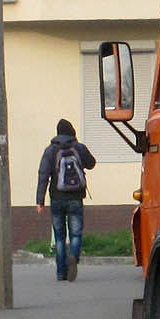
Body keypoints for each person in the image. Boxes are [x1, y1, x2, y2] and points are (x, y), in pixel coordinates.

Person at [36, 119, 96, 282]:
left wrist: (39, 200)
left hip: (57, 198)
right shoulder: (79, 147)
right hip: (76, 198)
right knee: (76, 233)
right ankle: (73, 258)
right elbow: (92, 163)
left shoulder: (50, 150)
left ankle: (61, 273)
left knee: (60, 236)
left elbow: (43, 175)